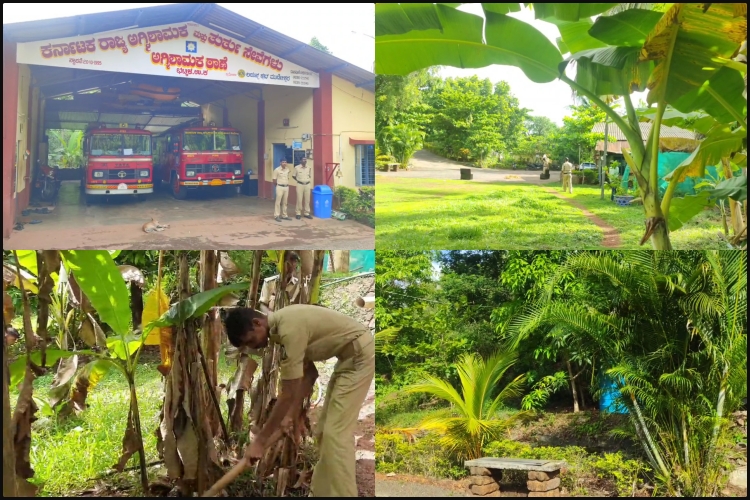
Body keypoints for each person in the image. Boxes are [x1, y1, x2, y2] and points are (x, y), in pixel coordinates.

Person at [223, 305, 374, 497]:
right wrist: (292, 416)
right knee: (323, 432)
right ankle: (323, 493)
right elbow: (309, 374)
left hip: (359, 358)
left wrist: (260, 441)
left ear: (257, 322)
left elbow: (288, 393)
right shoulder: (281, 331)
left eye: (251, 340)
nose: (253, 347)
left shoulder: (288, 329)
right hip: (348, 359)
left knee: (336, 435)